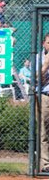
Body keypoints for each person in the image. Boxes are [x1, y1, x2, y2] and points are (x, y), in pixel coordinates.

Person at [35, 35, 49, 172]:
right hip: (45, 96)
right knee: (44, 130)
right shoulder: (39, 58)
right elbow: (36, 79)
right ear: (44, 44)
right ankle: (46, 164)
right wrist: (45, 66)